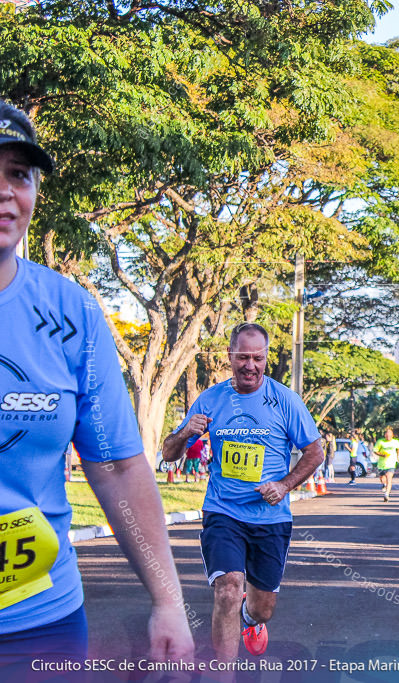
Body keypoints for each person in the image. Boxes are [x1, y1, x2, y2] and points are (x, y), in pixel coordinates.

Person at [0, 102, 194, 672]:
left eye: (19, 174)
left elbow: (116, 466)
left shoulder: (71, 314)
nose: (5, 192)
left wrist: (168, 600)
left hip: (40, 623)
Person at [162, 322, 323, 661]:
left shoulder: (285, 401)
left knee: (263, 608)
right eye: (243, 357)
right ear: (229, 356)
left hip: (270, 518)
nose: (250, 365)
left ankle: (251, 621)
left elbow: (314, 452)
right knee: (228, 590)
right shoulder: (210, 400)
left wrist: (284, 485)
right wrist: (183, 434)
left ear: (266, 359)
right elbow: (168, 454)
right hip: (224, 511)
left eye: (258, 358)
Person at [373, 426, 399, 502]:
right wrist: (382, 455)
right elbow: (375, 451)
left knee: (389, 478)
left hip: (391, 464)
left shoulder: (396, 442)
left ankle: (387, 494)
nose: (388, 436)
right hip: (381, 464)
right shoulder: (380, 442)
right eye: (387, 434)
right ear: (385, 435)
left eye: (390, 434)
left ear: (392, 435)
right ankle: (384, 485)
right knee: (382, 479)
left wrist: (398, 457)